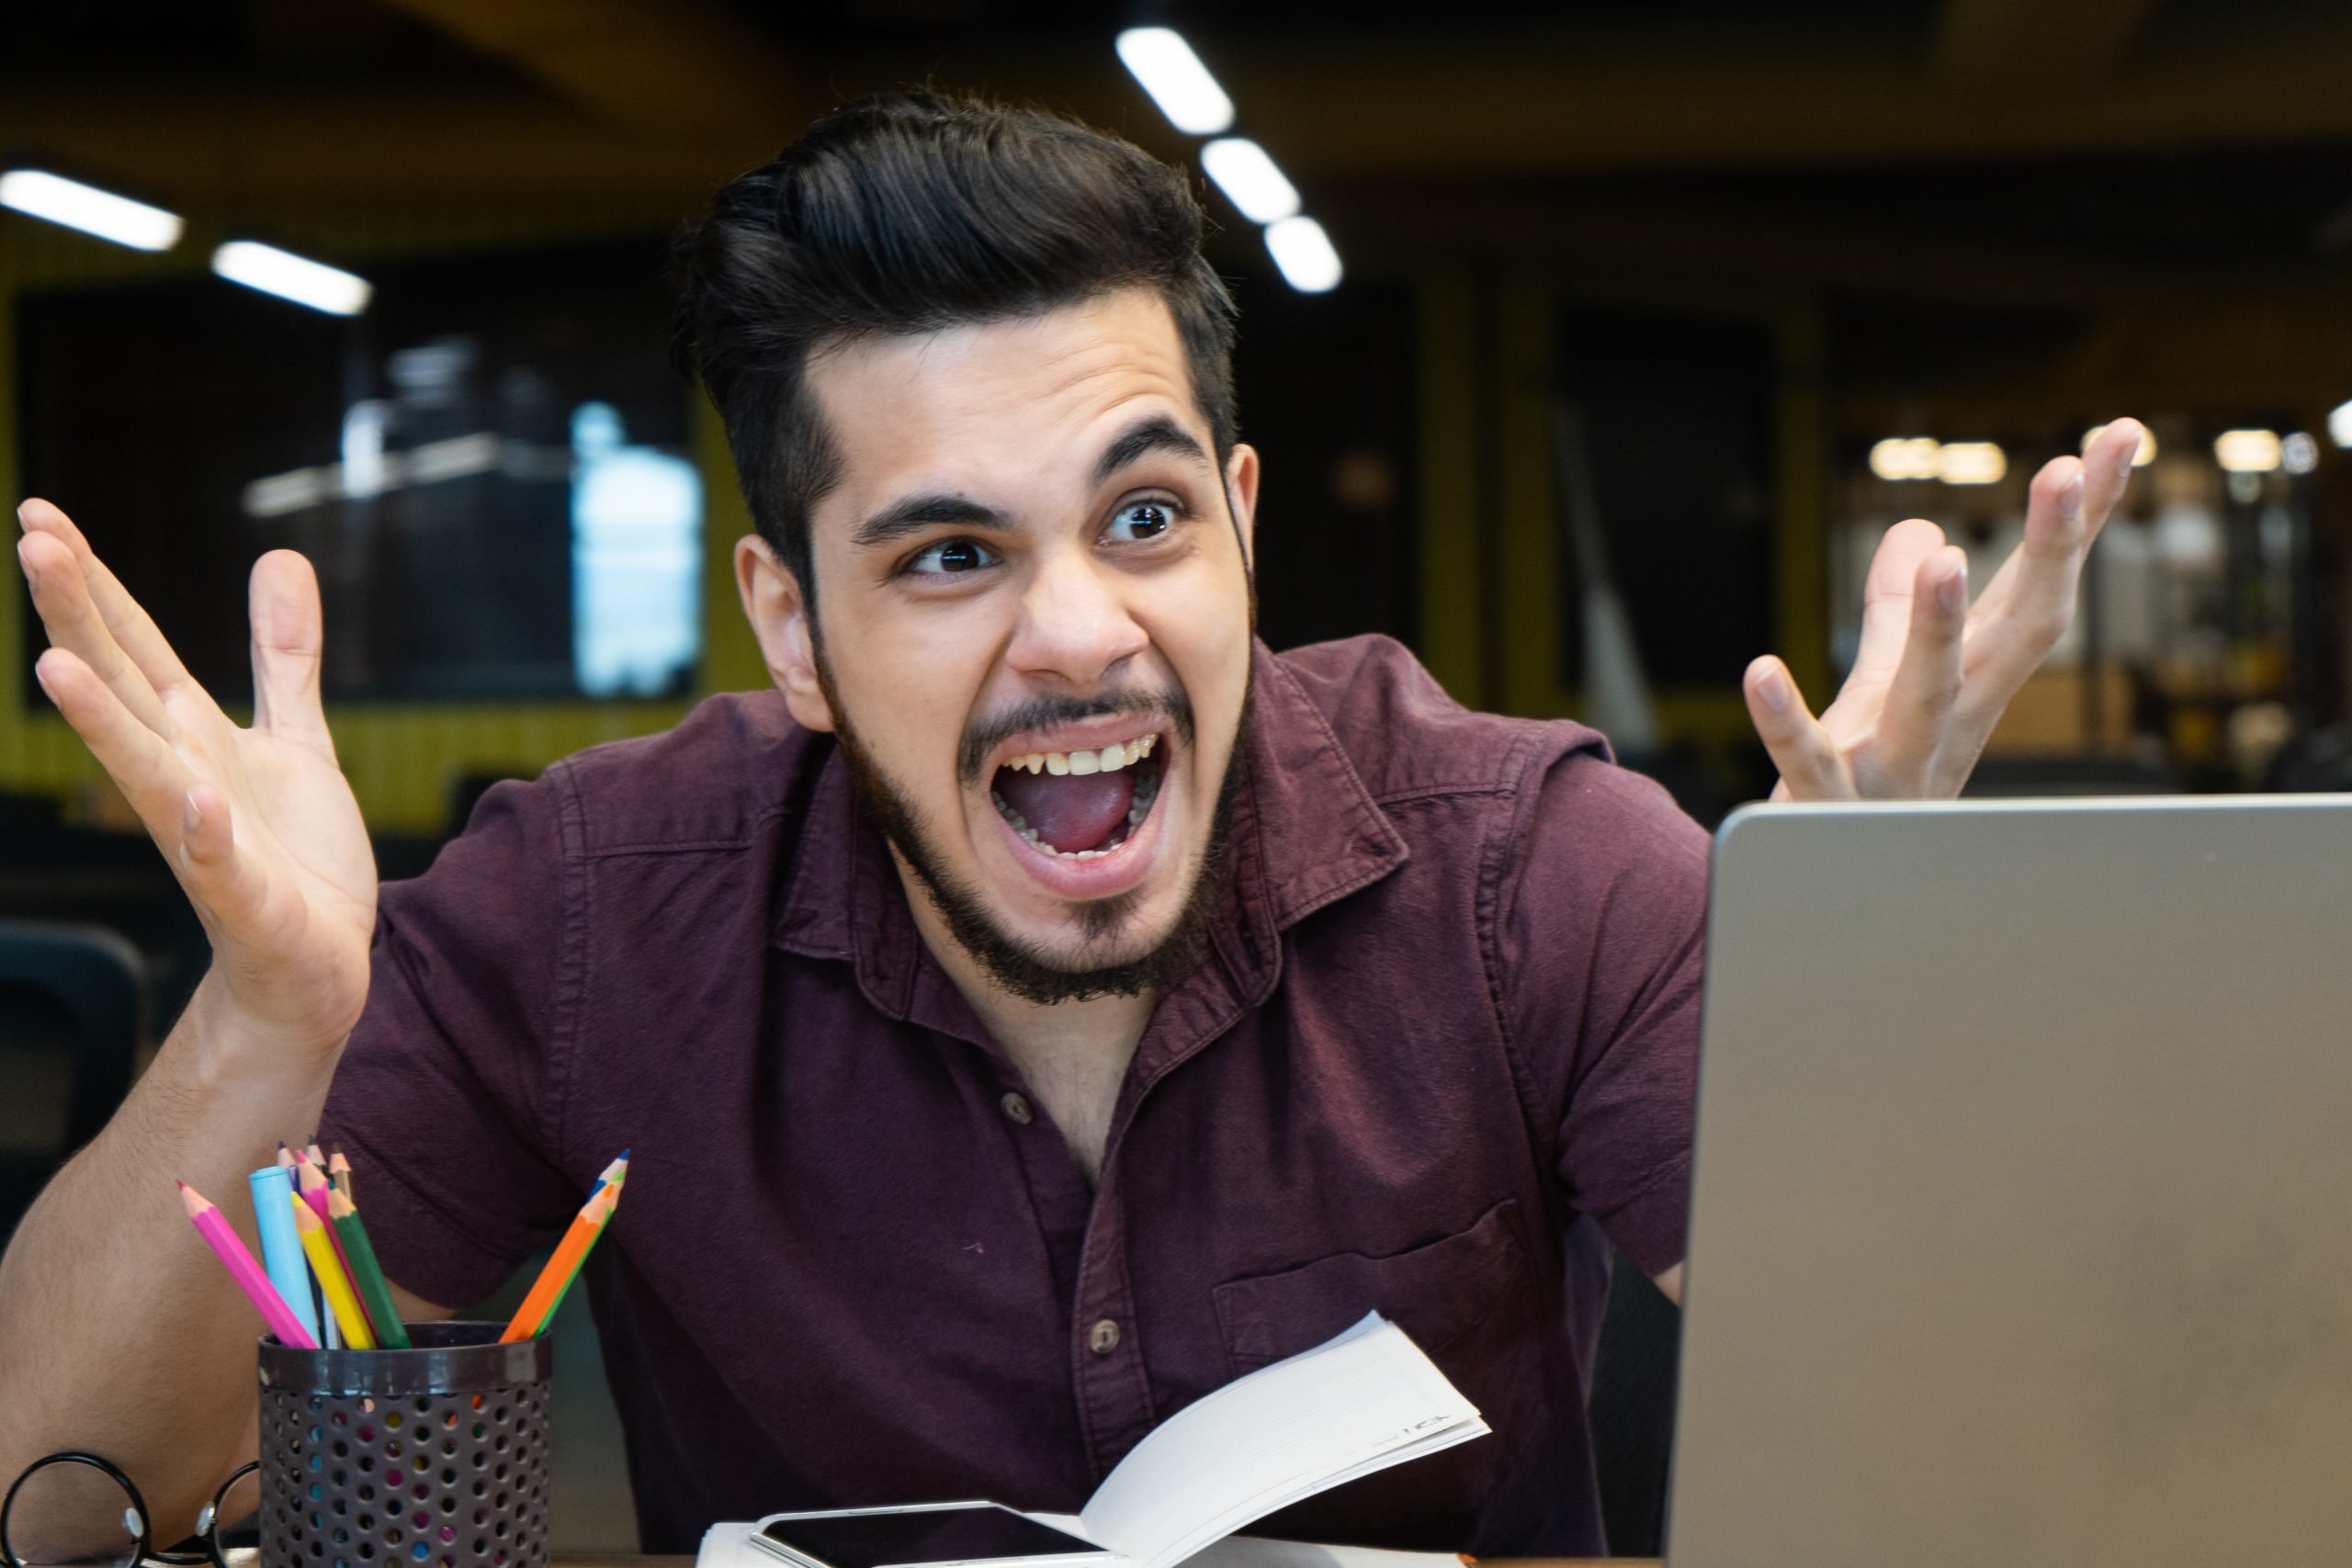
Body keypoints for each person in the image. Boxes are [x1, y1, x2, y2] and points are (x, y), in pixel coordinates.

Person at [0, 92, 2143, 1558]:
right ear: (794, 626)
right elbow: (56, 1492)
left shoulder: (1527, 862)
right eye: (945, 556)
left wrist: (1883, 988)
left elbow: (2031, 1465)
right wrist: (265, 1022)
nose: (1076, 630)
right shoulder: (581, 910)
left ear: (1235, 528)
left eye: (1138, 518)